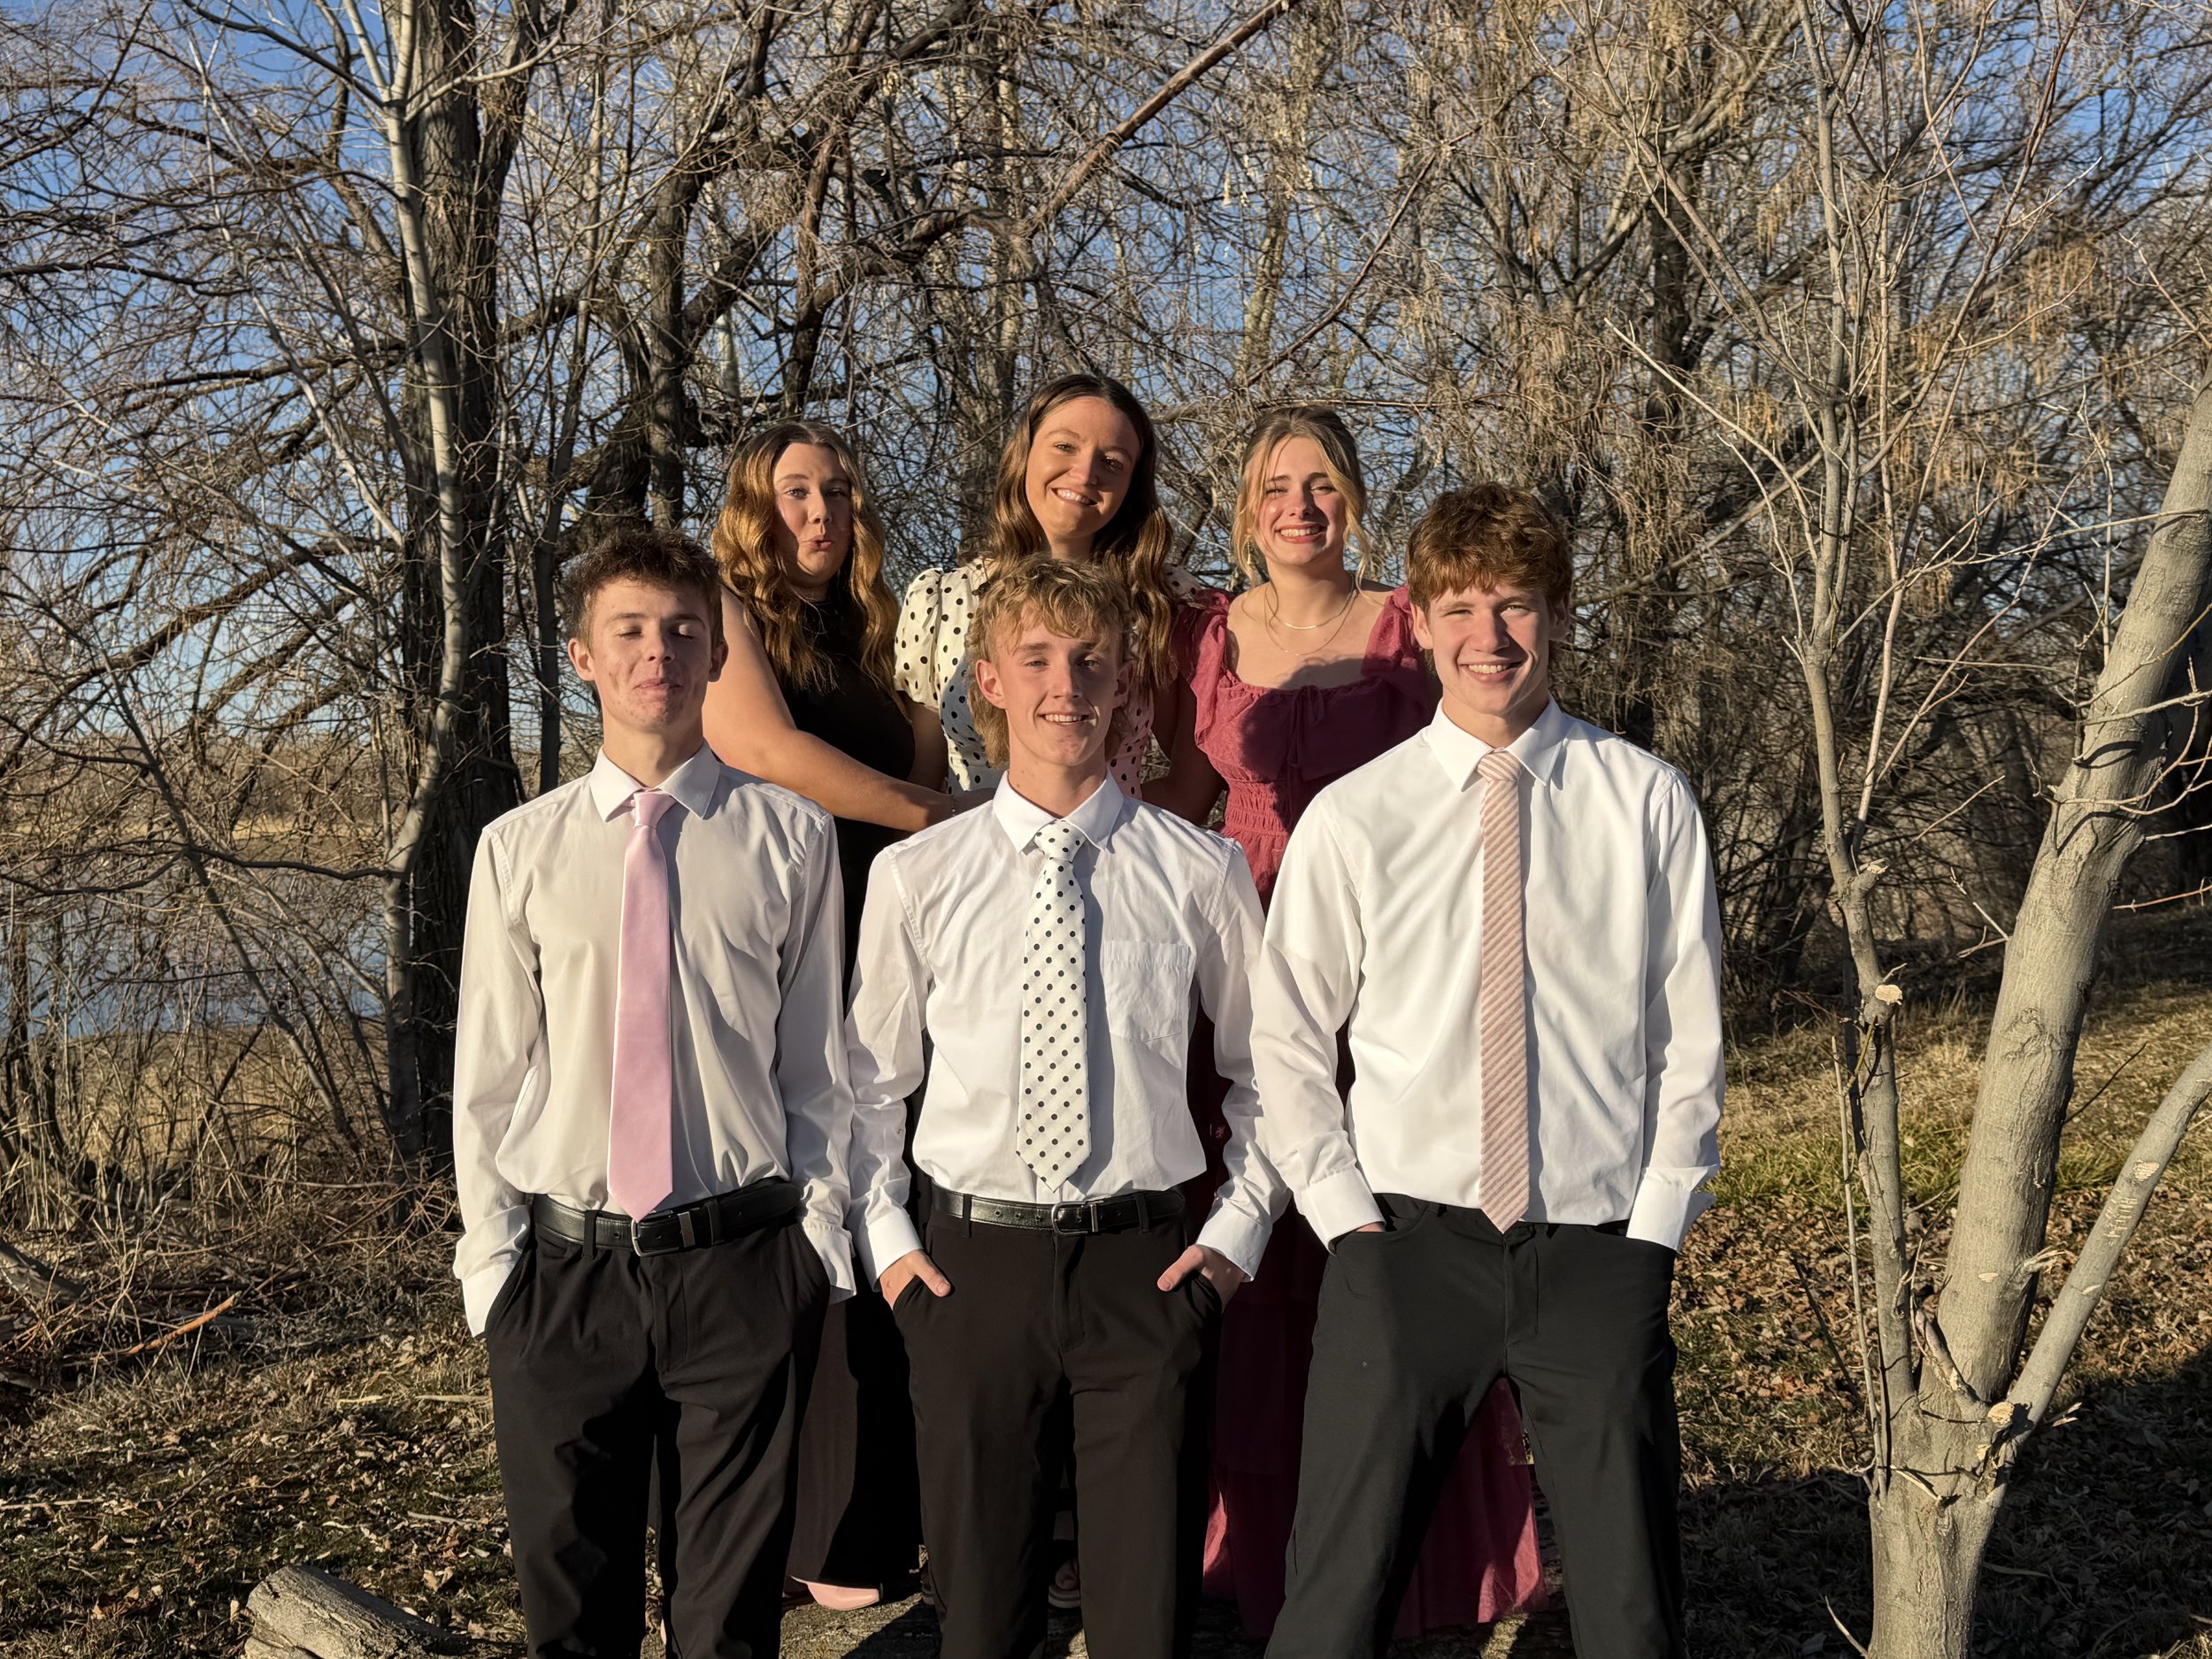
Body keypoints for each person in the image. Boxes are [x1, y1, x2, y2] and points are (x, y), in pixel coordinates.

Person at [1252, 484, 1724, 1659]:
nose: (1490, 635)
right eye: (1460, 606)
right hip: (1406, 1248)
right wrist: (1346, 1221)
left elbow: (1691, 1037)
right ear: (1418, 621)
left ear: (1560, 614)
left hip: (1594, 1250)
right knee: (1332, 1603)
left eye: (1516, 604)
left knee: (1631, 1612)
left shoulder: (1646, 800)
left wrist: (1654, 1228)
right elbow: (1291, 1040)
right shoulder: (1357, 818)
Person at [1153, 411, 1543, 1638]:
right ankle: (1271, 1555)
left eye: (1323, 483)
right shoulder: (1206, 634)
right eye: (1276, 483)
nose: (1300, 504)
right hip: (1249, 954)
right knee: (1267, 1242)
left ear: (1357, 499)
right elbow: (1175, 795)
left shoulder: (1404, 622)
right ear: (1246, 503)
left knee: (1389, 1239)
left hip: (1393, 953)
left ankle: (1432, 1554)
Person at [846, 558, 1280, 1659]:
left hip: (1147, 1272)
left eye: (1090, 660)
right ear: (987, 679)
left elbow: (1268, 1074)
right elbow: (866, 1087)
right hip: (967, 1272)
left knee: (1144, 1622)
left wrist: (1233, 1236)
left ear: (1128, 683)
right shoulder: (918, 876)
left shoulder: (1200, 870)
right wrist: (892, 1250)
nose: (1065, 684)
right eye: (1036, 657)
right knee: (983, 1620)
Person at [451, 523, 853, 1659]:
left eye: (684, 630)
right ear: (581, 655)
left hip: (741, 1265)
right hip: (564, 1280)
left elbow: (819, 1063)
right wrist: (493, 1273)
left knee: (725, 1622)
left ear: (719, 653)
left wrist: (816, 1248)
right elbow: (488, 1077)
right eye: (627, 629)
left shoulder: (790, 837)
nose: (658, 653)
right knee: (571, 1613)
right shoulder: (517, 851)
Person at [702, 421, 941, 1609]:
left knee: (885, 1196)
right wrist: (936, 811)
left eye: (838, 489)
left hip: (891, 951)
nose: (820, 509)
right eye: (795, 490)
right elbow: (768, 749)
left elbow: (929, 738)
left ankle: (878, 1517)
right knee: (800, 1209)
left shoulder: (872, 628)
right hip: (787, 953)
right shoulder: (727, 613)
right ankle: (807, 1529)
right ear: (753, 503)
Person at [895, 372, 1208, 799]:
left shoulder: (1163, 601)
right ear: (1024, 455)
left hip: (1119, 858)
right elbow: (924, 775)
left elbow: (1192, 783)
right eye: (1064, 447)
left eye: (1112, 462)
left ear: (1131, 485)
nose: (1084, 474)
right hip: (971, 858)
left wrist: (1123, 846)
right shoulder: (942, 601)